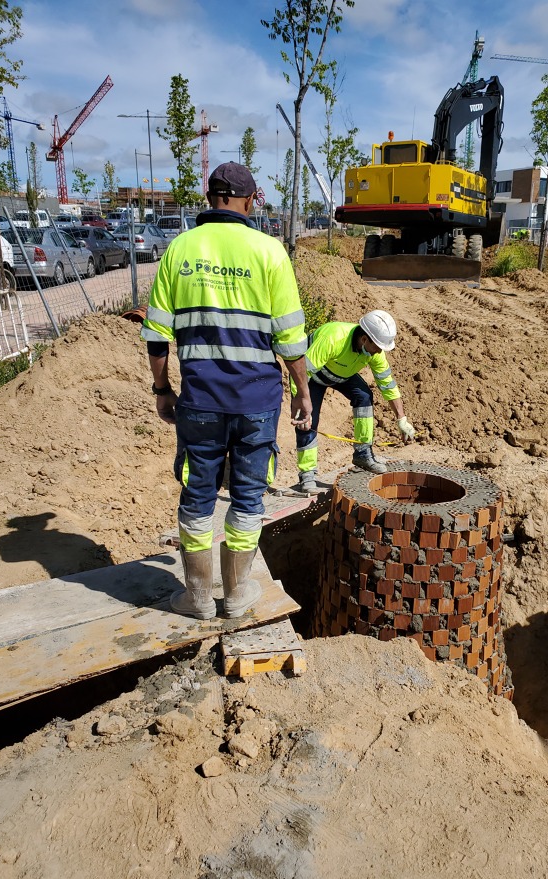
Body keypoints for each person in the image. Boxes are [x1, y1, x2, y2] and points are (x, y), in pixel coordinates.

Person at [141, 161, 312, 620]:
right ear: (250, 200)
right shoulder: (269, 252)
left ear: (209, 195)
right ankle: (236, 596)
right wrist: (302, 391)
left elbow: (157, 335)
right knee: (249, 496)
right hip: (256, 401)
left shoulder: (179, 250)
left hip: (199, 402)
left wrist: (162, 388)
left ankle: (197, 598)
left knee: (197, 494)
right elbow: (291, 339)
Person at [294, 310, 415, 493]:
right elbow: (301, 372)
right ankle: (307, 474)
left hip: (342, 375)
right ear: (364, 339)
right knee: (308, 420)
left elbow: (387, 384)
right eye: (378, 346)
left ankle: (363, 454)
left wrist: (401, 419)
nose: (380, 351)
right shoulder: (333, 338)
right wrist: (299, 401)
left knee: (364, 396)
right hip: (312, 376)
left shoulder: (374, 353)